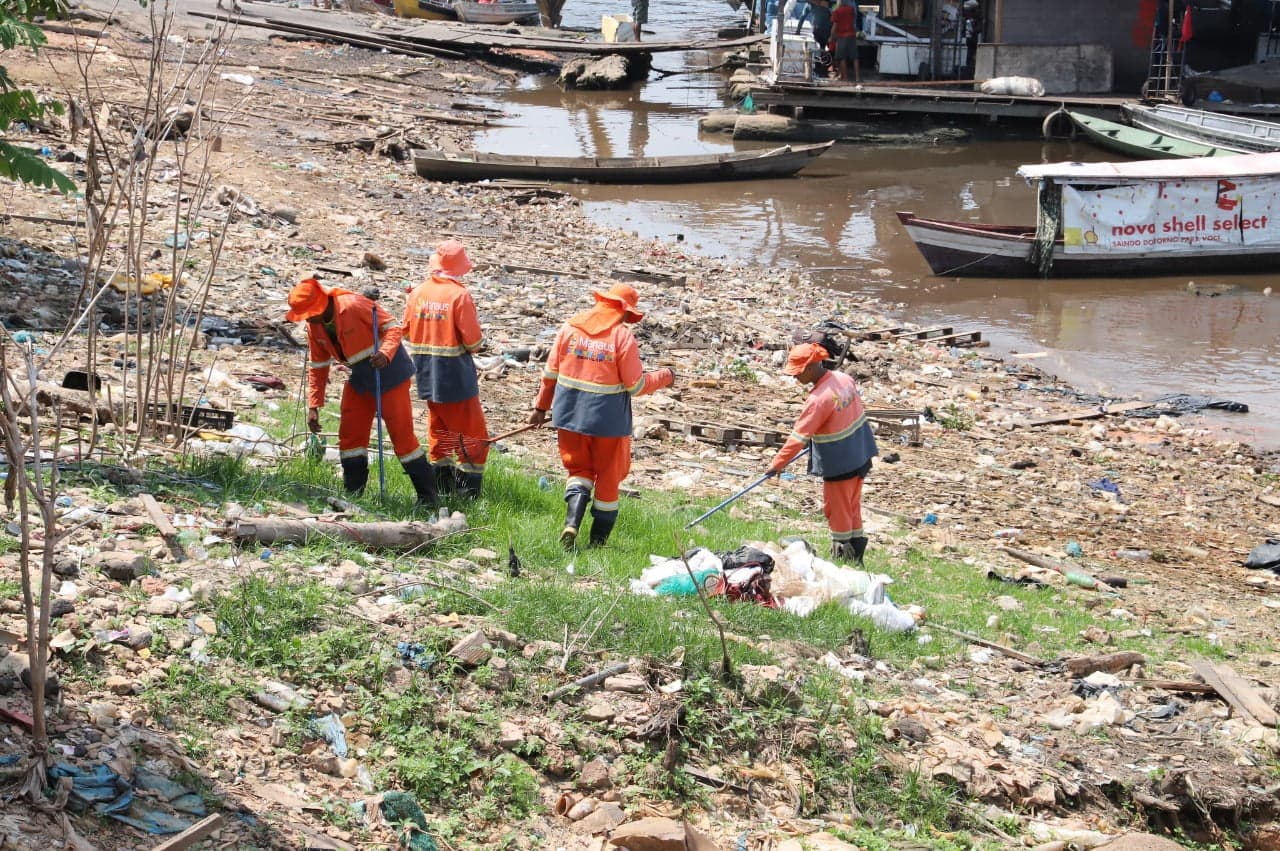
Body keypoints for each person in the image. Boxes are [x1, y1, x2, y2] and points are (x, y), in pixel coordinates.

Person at [528, 283, 674, 548]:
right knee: (608, 476)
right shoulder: (621, 336)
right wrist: (665, 377)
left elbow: (549, 374)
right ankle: (597, 545)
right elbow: (636, 386)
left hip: (568, 414)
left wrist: (540, 408)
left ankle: (571, 524)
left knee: (578, 470)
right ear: (625, 312)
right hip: (608, 420)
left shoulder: (570, 328)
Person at [287, 277, 437, 507]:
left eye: (309, 313)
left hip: (389, 371)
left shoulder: (354, 305)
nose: (307, 318)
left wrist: (385, 353)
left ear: (321, 305)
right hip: (360, 376)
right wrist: (314, 405)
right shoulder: (314, 326)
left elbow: (393, 327)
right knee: (350, 434)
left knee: (402, 437)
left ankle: (428, 497)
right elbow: (318, 365)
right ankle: (353, 495)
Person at [766, 343, 877, 564]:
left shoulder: (818, 400)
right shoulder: (843, 379)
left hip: (841, 461)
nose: (795, 377)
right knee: (852, 506)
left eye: (798, 372)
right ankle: (857, 558)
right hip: (861, 452)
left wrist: (776, 465)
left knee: (837, 510)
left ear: (811, 366)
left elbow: (798, 438)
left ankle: (843, 558)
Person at [403, 239, 488, 498]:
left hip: (425, 371)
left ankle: (441, 487)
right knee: (472, 433)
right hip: (454, 374)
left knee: (439, 429)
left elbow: (405, 330)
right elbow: (473, 343)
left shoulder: (417, 292)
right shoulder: (459, 295)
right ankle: (467, 493)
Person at [829, 0, 861, 84]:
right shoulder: (851, 9)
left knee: (842, 58)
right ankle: (857, 78)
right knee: (855, 57)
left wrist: (831, 37)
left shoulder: (836, 11)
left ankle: (845, 77)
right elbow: (853, 20)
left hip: (841, 36)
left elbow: (834, 27)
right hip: (852, 35)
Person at [806, 0, 833, 77]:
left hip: (819, 32)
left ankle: (818, 69)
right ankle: (821, 70)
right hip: (823, 33)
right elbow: (831, 23)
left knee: (819, 50)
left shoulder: (816, 9)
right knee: (822, 51)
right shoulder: (827, 11)